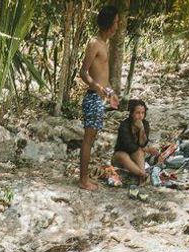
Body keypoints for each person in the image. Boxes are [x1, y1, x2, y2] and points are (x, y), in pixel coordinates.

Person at [79, 5, 120, 192]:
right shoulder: (95, 43)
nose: (118, 26)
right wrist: (96, 87)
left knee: (91, 139)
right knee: (88, 140)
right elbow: (83, 72)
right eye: (116, 22)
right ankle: (83, 180)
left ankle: (84, 177)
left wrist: (110, 93)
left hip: (99, 99)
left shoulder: (105, 44)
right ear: (109, 24)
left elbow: (103, 76)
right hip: (92, 99)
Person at [112, 99, 158, 190]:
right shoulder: (124, 125)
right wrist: (145, 149)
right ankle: (143, 174)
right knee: (124, 155)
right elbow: (128, 146)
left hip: (135, 158)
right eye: (137, 113)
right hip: (120, 158)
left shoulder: (145, 124)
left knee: (140, 152)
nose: (140, 116)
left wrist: (141, 130)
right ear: (132, 113)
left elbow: (143, 143)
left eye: (142, 113)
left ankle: (141, 181)